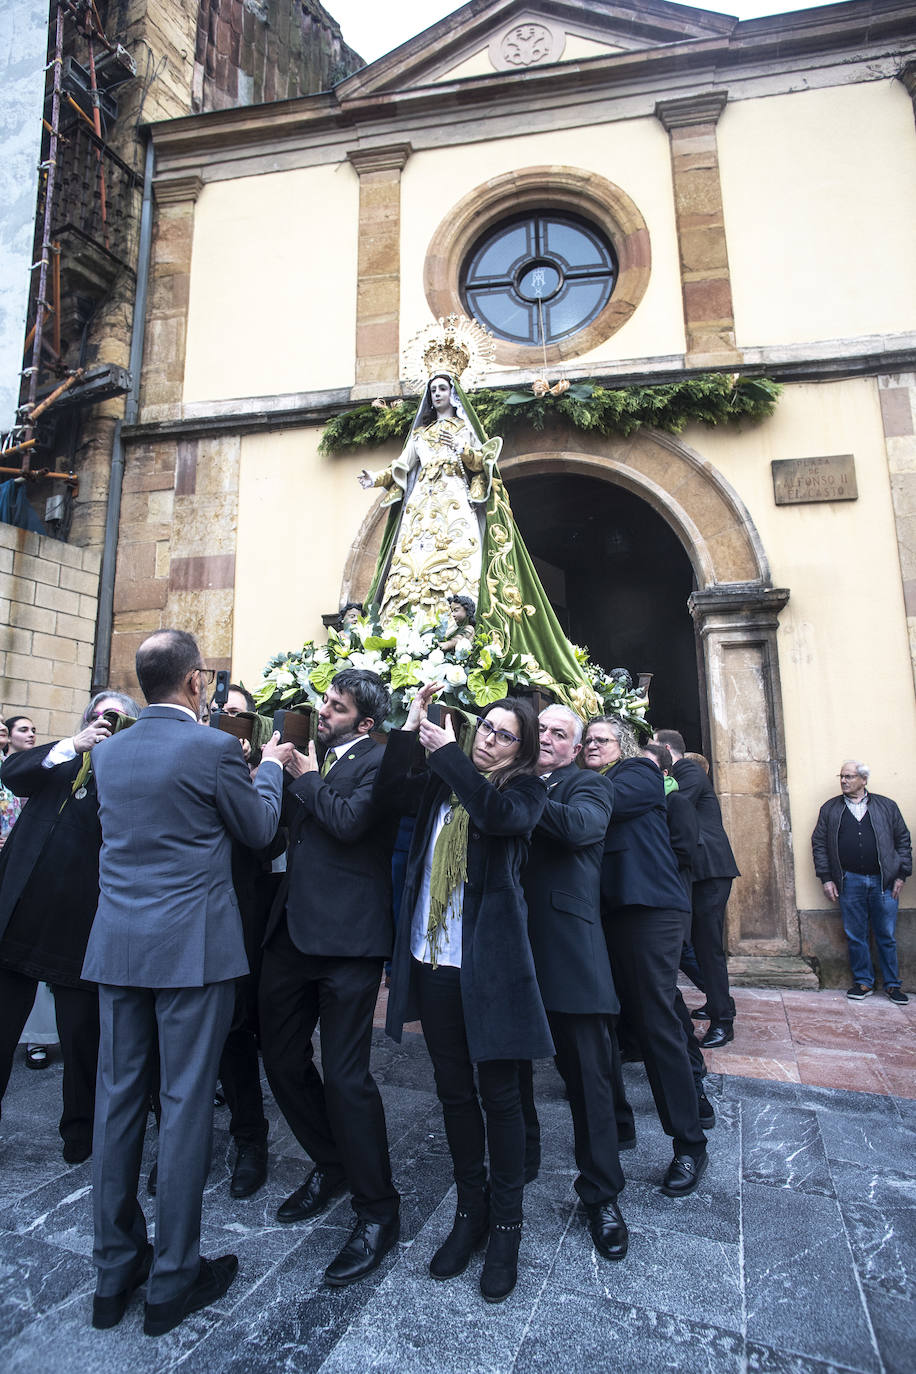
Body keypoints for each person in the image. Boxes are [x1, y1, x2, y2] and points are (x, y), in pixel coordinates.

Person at [83, 629, 290, 1337]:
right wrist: (273, 770)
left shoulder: (107, 753)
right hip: (191, 950)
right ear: (196, 682)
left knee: (117, 1102)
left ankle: (114, 1271)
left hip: (118, 945)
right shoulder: (209, 749)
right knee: (185, 1103)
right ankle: (173, 1277)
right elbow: (260, 831)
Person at [378, 682, 551, 1303]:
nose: (490, 739)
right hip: (432, 962)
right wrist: (411, 725)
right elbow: (391, 794)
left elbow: (498, 817)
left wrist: (449, 753)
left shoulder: (525, 791)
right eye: (486, 728)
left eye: (505, 734)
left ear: (522, 749)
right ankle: (469, 1213)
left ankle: (506, 1229)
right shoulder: (441, 784)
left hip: (488, 969)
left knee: (499, 1098)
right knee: (453, 1093)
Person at [259, 668, 401, 1288]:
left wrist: (305, 777)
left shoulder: (382, 759)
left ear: (365, 723)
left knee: (346, 1077)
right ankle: (331, 1161)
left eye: (337, 707)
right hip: (292, 932)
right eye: (325, 700)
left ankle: (378, 1209)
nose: (323, 711)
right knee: (282, 1059)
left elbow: (348, 823)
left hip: (351, 940)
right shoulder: (309, 756)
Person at [0, 691, 140, 1161]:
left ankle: (79, 1134)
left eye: (117, 719)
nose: (106, 724)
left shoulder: (128, 779)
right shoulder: (58, 759)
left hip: (80, 927)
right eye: (100, 716)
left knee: (82, 1042)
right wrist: (73, 744)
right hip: (19, 916)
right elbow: (12, 774)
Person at [521, 705, 628, 1263]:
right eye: (539, 728)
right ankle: (514, 1173)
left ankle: (603, 1194)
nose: (546, 738)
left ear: (576, 747)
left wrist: (525, 788)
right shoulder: (507, 781)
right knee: (509, 1077)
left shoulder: (588, 786)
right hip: (510, 950)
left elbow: (579, 829)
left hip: (569, 951)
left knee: (590, 1082)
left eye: (559, 734)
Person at [584, 719, 709, 1197]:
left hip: (649, 909)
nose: (593, 745)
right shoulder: (590, 783)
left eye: (602, 739)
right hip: (609, 916)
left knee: (656, 1020)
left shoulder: (636, 772)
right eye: (588, 740)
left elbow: (600, 809)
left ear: (625, 746)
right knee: (612, 1024)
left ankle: (689, 1142)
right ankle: (620, 1126)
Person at [358, 375, 488, 625]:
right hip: (421, 504)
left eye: (442, 389)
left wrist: (462, 449)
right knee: (412, 556)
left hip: (453, 498)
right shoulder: (420, 435)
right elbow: (401, 466)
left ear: (453, 393)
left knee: (455, 549)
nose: (437, 394)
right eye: (433, 390)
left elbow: (481, 463)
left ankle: (459, 617)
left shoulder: (464, 429)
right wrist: (375, 478)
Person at [653, 729, 740, 1049]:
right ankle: (720, 1001)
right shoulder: (677, 773)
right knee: (687, 945)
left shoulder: (687, 769)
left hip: (709, 871)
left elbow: (666, 804)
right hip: (693, 873)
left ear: (665, 748)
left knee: (707, 947)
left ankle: (723, 1020)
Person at [811, 761, 911, 1003]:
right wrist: (826, 878)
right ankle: (864, 982)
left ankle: (892, 985)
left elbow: (903, 841)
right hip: (849, 881)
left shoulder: (886, 806)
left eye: (849, 777)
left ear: (863, 780)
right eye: (842, 776)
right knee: (856, 934)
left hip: (884, 882)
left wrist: (901, 875)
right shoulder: (831, 809)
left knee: (886, 934)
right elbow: (819, 845)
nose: (844, 781)